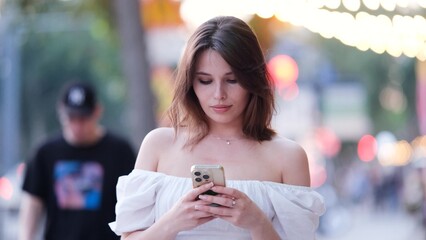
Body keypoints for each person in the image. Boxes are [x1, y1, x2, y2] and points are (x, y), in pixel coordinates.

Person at [109, 16, 325, 240]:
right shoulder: (159, 145)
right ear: (190, 83)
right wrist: (173, 221)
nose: (218, 94)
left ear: (253, 81)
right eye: (205, 81)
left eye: (231, 80)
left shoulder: (287, 156)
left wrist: (257, 223)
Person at [19, 81, 137, 240]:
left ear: (97, 111)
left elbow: (134, 203)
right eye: (71, 117)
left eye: (83, 118)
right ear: (60, 112)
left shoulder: (120, 151)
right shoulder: (45, 153)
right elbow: (32, 203)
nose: (77, 125)